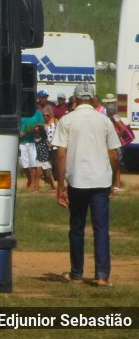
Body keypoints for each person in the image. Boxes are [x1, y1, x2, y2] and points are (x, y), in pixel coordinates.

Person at [51, 83, 121, 287]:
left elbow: (61, 155)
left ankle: (77, 273)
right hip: (100, 181)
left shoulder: (67, 120)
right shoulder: (104, 121)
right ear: (92, 98)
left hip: (77, 181)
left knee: (77, 228)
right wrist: (114, 180)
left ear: (75, 98)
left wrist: (61, 184)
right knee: (101, 228)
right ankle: (101, 276)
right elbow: (114, 155)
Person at [20, 107, 44, 191]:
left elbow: (41, 125)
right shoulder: (20, 113)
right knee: (24, 165)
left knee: (33, 163)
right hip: (22, 142)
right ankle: (29, 179)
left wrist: (28, 130)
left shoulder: (37, 112)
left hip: (33, 141)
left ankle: (33, 183)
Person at [32, 124, 56, 193]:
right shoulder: (35, 140)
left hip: (46, 160)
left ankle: (53, 188)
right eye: (35, 133)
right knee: (37, 175)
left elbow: (49, 146)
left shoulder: (45, 140)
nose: (36, 134)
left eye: (38, 132)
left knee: (48, 175)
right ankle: (36, 190)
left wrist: (52, 145)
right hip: (38, 159)